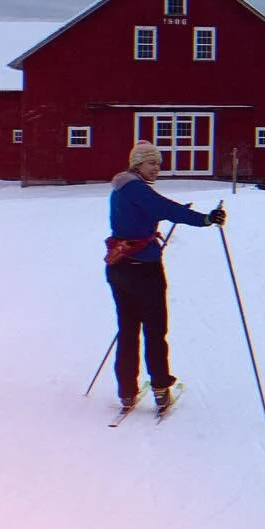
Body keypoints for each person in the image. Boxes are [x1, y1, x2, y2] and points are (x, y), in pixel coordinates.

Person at [105, 141, 225, 413]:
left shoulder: (122, 188)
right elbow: (166, 209)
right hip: (143, 270)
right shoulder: (136, 188)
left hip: (119, 266)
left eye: (158, 164)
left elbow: (148, 211)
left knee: (128, 330)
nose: (157, 169)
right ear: (137, 164)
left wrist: (167, 212)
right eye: (151, 163)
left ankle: (127, 392)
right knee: (155, 331)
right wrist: (205, 219)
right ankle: (160, 389)